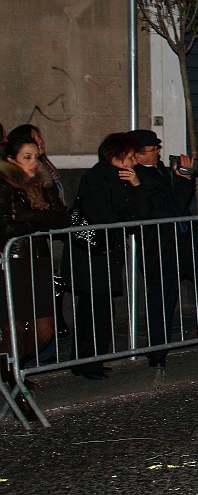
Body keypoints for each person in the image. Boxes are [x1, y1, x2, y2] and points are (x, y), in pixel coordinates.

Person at [129, 129, 198, 367]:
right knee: (162, 299)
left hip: (184, 239)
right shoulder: (136, 177)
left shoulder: (158, 169)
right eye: (153, 149)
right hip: (160, 246)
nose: (159, 151)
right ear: (138, 156)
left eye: (158, 147)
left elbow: (177, 204)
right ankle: (157, 352)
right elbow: (169, 207)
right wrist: (183, 179)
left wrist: (180, 178)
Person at [64, 132, 155, 379]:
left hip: (105, 253)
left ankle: (91, 361)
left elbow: (143, 215)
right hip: (90, 255)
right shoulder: (96, 179)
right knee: (93, 310)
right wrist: (129, 217)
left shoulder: (124, 178)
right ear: (116, 158)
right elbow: (102, 216)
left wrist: (137, 187)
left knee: (100, 309)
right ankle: (87, 363)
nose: (135, 161)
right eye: (130, 156)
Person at [0, 134, 70, 371]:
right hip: (13, 262)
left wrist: (28, 217)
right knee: (15, 327)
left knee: (46, 329)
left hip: (39, 261)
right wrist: (39, 222)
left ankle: (9, 371)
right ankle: (14, 382)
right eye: (26, 157)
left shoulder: (42, 182)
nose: (33, 163)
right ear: (11, 159)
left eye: (36, 157)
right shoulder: (5, 185)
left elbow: (62, 218)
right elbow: (6, 227)